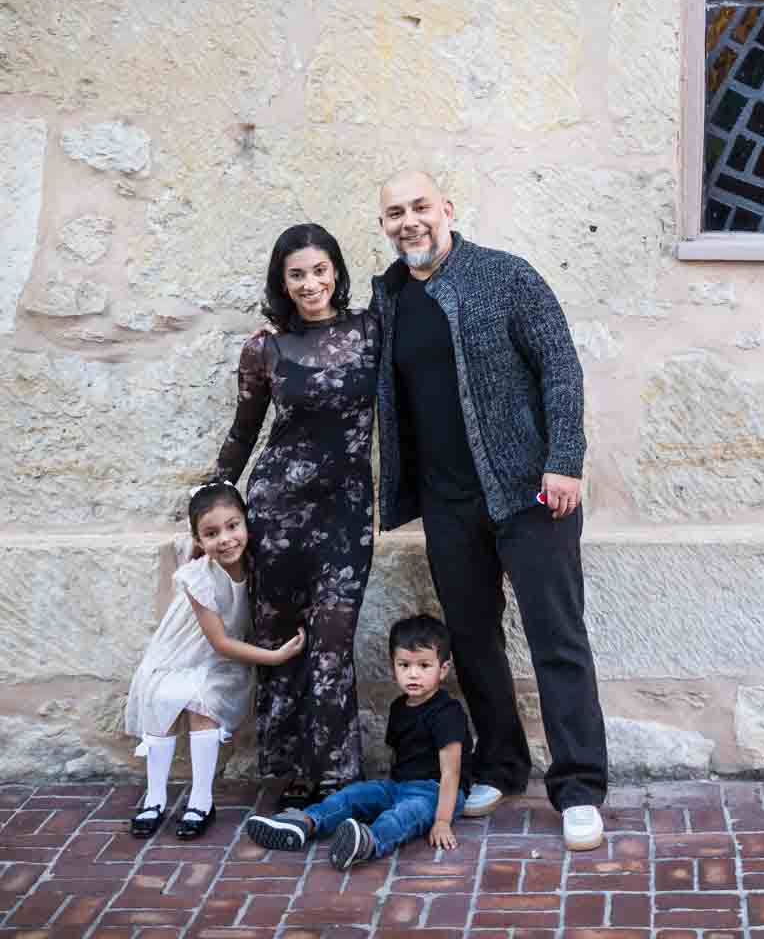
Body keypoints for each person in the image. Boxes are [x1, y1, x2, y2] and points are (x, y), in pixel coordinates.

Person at [371, 169, 608, 853]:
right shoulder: (388, 298)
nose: (409, 221)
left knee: (556, 640)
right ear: (383, 226)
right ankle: (501, 766)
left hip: (531, 494)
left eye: (419, 207)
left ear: (447, 208)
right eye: (394, 213)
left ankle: (580, 788)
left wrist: (564, 460)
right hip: (448, 503)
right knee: (473, 641)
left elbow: (559, 367)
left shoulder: (506, 276)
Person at [209, 223, 379, 801]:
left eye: (320, 269)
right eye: (297, 274)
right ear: (282, 282)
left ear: (336, 270)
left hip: (347, 516)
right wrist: (210, 506)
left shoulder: (371, 331)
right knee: (283, 642)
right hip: (276, 516)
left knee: (332, 641)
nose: (311, 283)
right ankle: (295, 775)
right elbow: (243, 432)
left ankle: (339, 778)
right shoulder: (265, 347)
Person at [125, 481, 304, 839]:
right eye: (211, 533)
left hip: (219, 665)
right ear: (198, 540)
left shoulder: (255, 563)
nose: (225, 539)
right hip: (181, 655)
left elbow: (224, 650)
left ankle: (201, 800)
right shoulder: (198, 578)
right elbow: (219, 641)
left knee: (203, 702)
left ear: (245, 524)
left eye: (232, 526)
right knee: (162, 697)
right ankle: (155, 796)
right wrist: (273, 656)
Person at [242, 613, 473, 868]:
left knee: (403, 815)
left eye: (424, 666)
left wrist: (442, 821)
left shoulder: (447, 713)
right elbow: (397, 754)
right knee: (352, 795)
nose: (413, 674)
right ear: (393, 666)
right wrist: (385, 791)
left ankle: (368, 841)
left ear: (443, 669)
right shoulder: (399, 707)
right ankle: (305, 823)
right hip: (397, 786)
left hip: (434, 791)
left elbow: (451, 772)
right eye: (404, 665)